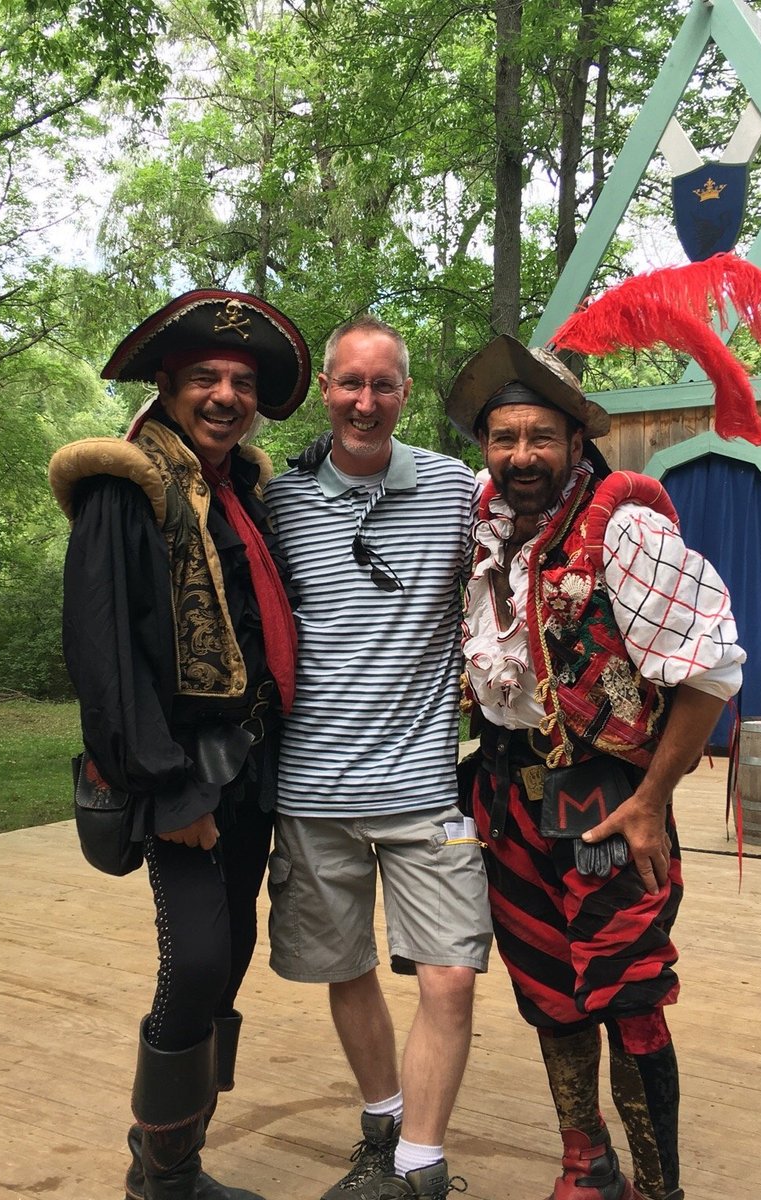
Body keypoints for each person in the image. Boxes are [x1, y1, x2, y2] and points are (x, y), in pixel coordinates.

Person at [445, 334, 746, 1200]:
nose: (521, 456)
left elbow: (711, 670)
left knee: (629, 991)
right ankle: (589, 1162)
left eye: (541, 437)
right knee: (548, 988)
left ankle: (659, 1188)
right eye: (504, 439)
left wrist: (655, 801)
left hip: (608, 797)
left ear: (577, 442)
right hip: (505, 796)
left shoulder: (627, 526)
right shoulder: (483, 519)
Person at [48, 290, 311, 1200]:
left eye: (241, 381)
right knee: (196, 959)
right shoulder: (127, 491)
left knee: (227, 953)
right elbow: (104, 653)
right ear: (168, 385)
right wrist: (171, 792)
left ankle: (172, 1159)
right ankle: (164, 1178)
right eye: (206, 377)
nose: (227, 394)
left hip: (253, 764)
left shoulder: (242, 492)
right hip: (184, 773)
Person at [263, 315, 492, 1200]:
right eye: (349, 383)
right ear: (325, 389)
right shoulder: (280, 504)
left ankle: (419, 1170)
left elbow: (540, 528)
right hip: (311, 788)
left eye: (383, 384)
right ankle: (384, 1121)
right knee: (345, 967)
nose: (365, 401)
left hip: (424, 789)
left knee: (452, 977)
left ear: (405, 392)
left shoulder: (453, 491)